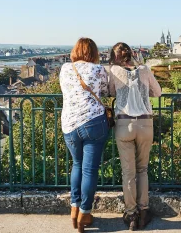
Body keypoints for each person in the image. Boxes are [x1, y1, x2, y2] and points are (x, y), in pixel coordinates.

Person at [107, 42, 162, 231]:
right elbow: (158, 92)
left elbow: (111, 92)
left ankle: (131, 214)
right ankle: (144, 210)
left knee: (128, 172)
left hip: (124, 123)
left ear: (114, 56)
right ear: (131, 54)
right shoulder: (145, 70)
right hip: (145, 123)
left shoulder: (113, 70)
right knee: (142, 169)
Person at [61, 37, 109, 233]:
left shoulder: (65, 69)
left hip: (69, 124)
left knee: (77, 165)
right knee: (90, 170)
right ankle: (84, 213)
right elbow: (105, 91)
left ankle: (74, 208)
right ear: (94, 53)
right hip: (93, 122)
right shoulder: (98, 70)